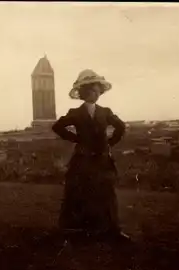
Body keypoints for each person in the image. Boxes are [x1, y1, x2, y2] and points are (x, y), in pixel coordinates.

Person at [52, 69, 130, 244]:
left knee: (107, 193)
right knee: (79, 193)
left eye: (96, 91)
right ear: (82, 93)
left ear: (100, 93)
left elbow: (121, 127)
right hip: (83, 160)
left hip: (102, 159)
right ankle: (75, 232)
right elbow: (57, 127)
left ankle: (113, 230)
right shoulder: (75, 112)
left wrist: (110, 143)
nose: (93, 94)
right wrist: (76, 139)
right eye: (89, 91)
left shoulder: (105, 112)